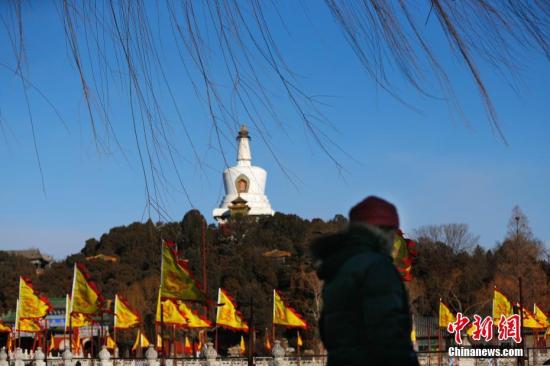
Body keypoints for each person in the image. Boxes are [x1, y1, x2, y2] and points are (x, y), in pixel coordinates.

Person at [311, 196, 419, 366]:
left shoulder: (338, 268)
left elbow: (327, 330)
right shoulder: (376, 266)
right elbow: (389, 333)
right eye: (392, 232)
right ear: (381, 232)